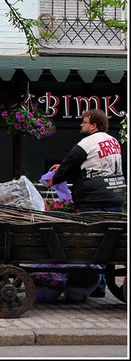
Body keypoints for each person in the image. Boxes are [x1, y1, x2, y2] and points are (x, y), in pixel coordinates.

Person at [47, 108, 126, 297]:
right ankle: (99, 288)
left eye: (84, 122)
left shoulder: (87, 142)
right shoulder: (113, 141)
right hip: (115, 196)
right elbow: (93, 163)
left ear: (94, 125)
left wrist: (54, 179)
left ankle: (93, 286)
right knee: (109, 242)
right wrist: (63, 168)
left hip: (93, 200)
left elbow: (70, 164)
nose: (81, 124)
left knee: (91, 244)